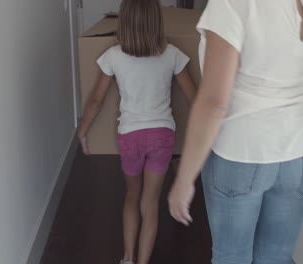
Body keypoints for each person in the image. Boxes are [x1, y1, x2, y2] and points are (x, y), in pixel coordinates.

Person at [169, 0, 303, 263]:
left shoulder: (230, 4)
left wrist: (184, 178)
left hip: (243, 152)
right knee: (277, 256)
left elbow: (213, 102)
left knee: (232, 257)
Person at [77, 1, 196, 263]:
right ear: (157, 20)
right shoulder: (172, 54)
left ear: (124, 21)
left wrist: (82, 132)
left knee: (132, 195)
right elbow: (194, 99)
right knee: (150, 203)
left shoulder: (113, 56)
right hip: (161, 137)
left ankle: (128, 258)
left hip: (130, 137)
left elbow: (96, 100)